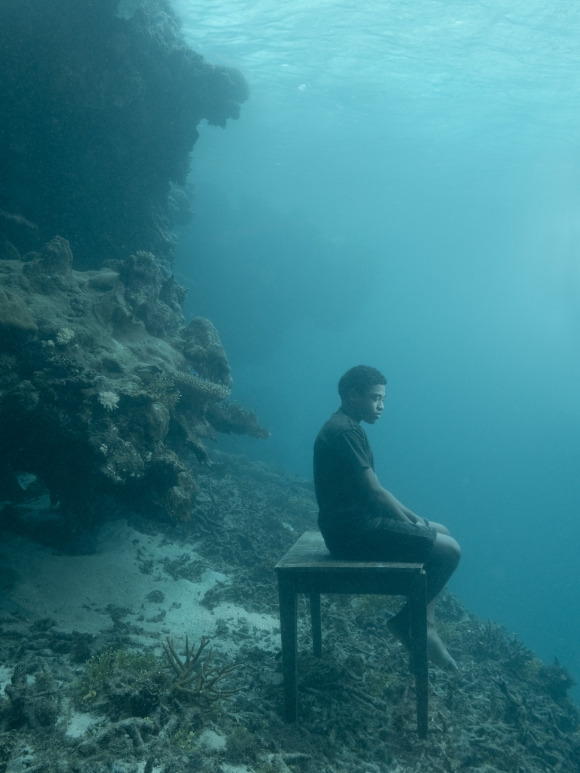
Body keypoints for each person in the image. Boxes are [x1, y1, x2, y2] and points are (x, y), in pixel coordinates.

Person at [313, 365, 461, 670]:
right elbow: (375, 494)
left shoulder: (346, 426)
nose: (381, 406)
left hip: (353, 527)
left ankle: (415, 622)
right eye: (375, 398)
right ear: (352, 395)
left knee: (441, 530)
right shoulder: (344, 432)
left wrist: (417, 520)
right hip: (354, 533)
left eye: (383, 399)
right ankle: (417, 624)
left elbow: (377, 491)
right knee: (450, 551)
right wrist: (413, 527)